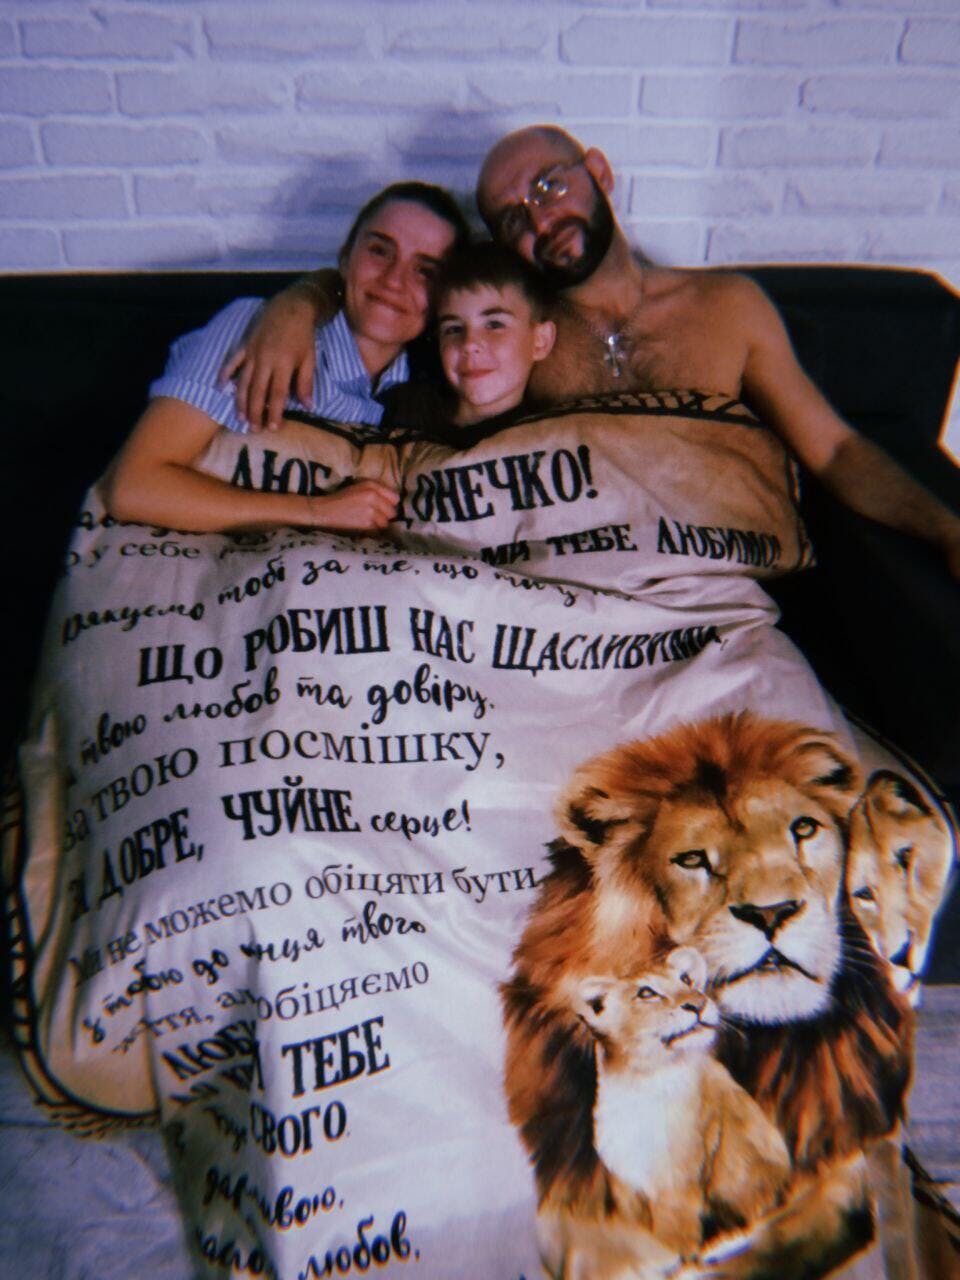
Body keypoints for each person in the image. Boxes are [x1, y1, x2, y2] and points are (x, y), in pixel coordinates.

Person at [231, 126, 960, 577]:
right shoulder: (510, 336)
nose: (541, 218)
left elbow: (834, 450)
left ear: (600, 173)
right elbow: (391, 296)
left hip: (707, 588)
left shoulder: (728, 307)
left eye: (550, 185)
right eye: (513, 216)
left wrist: (946, 530)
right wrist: (300, 300)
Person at [103, 181, 469, 534]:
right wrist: (318, 512)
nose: (394, 280)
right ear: (345, 258)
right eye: (379, 251)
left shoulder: (431, 388)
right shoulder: (257, 331)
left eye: (425, 271)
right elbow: (133, 486)